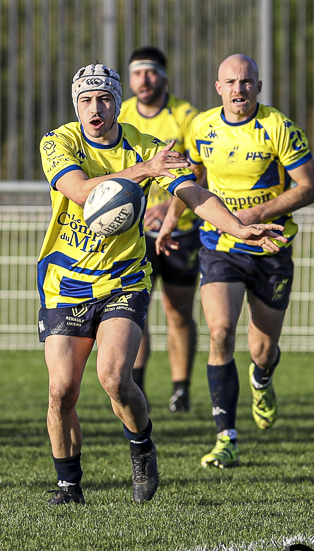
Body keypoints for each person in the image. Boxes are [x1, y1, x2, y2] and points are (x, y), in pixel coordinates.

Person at [38, 63, 285, 505]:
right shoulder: (60, 142)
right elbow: (79, 191)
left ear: (117, 102)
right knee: (62, 390)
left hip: (123, 278)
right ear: (75, 104)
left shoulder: (145, 146)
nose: (95, 108)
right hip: (65, 280)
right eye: (86, 100)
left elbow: (194, 194)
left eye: (104, 99)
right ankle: (69, 486)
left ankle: (142, 446)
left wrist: (239, 228)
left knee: (115, 377)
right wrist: (143, 171)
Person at [156, 54, 314, 469]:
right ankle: (225, 436)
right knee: (220, 331)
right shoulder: (202, 126)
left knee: (262, 350)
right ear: (218, 87)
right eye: (231, 82)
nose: (238, 89)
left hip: (271, 248)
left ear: (258, 88)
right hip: (219, 246)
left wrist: (255, 215)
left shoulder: (278, 128)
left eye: (247, 82)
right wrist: (170, 221)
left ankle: (262, 379)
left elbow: (310, 187)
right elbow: (190, 180)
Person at [119, 47, 200, 413]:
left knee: (178, 311)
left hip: (181, 230)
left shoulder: (186, 116)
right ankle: (137, 387)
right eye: (137, 74)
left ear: (164, 77)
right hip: (133, 233)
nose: (144, 80)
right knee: (135, 310)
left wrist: (171, 204)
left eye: (151, 73)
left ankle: (181, 389)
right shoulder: (120, 116)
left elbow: (202, 171)